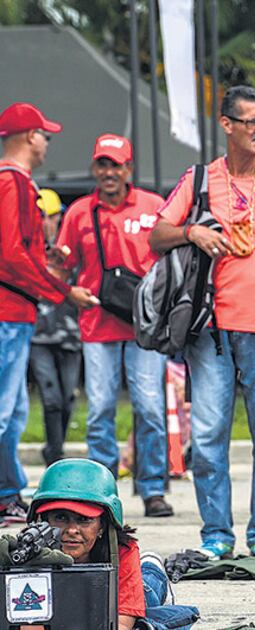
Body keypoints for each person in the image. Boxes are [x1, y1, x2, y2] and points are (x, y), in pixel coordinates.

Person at [150, 85, 255, 559]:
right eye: (252, 122)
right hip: (212, 331)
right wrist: (192, 232)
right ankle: (216, 536)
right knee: (207, 438)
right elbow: (157, 236)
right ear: (227, 124)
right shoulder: (200, 178)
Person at [53, 134, 173, 518]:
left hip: (144, 328)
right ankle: (101, 492)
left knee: (150, 408)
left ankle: (153, 489)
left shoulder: (154, 206)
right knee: (100, 410)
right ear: (94, 168)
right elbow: (61, 269)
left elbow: (173, 260)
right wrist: (68, 291)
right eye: (102, 164)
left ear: (128, 169)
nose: (109, 172)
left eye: (116, 165)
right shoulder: (79, 213)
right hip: (97, 324)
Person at [0, 102, 96, 526]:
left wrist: (44, 261)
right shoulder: (14, 182)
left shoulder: (15, 182)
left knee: (15, 411)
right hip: (8, 313)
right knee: (5, 411)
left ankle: (8, 494)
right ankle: (5, 496)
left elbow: (16, 251)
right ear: (29, 137)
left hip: (15, 312)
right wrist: (63, 291)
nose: (46, 143)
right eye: (44, 135)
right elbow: (10, 254)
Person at [23, 458, 199, 630]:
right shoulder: (27, 550)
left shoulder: (121, 550)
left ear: (103, 525)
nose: (72, 530)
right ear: (43, 521)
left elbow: (122, 623)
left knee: (153, 612)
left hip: (118, 603)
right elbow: (28, 621)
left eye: (84, 519)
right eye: (60, 517)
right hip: (64, 611)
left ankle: (152, 567)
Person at [30, 188, 82, 467]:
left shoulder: (69, 250)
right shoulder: (29, 251)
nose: (48, 222)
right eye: (43, 217)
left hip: (72, 335)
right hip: (39, 336)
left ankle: (54, 446)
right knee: (50, 398)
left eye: (53, 216)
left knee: (67, 398)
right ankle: (55, 455)